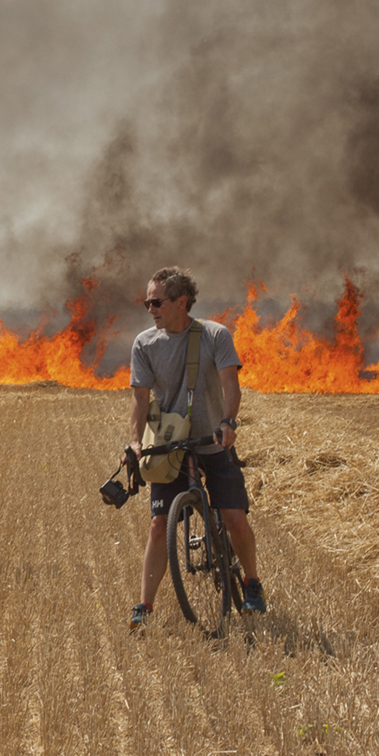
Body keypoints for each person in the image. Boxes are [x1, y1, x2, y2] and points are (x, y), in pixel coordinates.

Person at [127, 266, 265, 627]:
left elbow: (231, 386)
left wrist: (228, 423)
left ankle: (252, 583)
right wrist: (135, 441)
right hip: (171, 446)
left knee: (234, 518)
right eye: (147, 303)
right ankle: (144, 606)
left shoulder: (215, 335)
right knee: (159, 525)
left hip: (213, 441)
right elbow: (140, 400)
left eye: (157, 302)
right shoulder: (144, 344)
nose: (150, 309)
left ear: (181, 302)